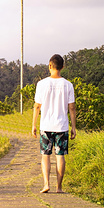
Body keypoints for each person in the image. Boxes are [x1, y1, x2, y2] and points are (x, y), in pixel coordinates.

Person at [32, 54, 76, 193]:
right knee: (60, 155)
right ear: (63, 67)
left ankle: (46, 184)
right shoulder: (68, 85)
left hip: (46, 126)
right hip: (62, 126)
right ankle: (59, 187)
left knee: (45, 155)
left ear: (50, 66)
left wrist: (34, 124)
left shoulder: (42, 84)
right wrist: (73, 127)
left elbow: (37, 106)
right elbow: (72, 107)